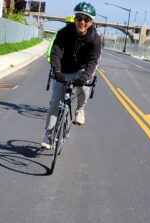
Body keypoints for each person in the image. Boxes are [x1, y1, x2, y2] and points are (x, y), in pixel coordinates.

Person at [41, 2, 102, 149]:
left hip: (81, 70)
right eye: (79, 18)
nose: (82, 22)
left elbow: (93, 61)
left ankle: (80, 109)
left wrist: (85, 76)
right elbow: (55, 53)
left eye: (86, 19)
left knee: (85, 86)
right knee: (55, 101)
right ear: (74, 19)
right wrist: (57, 71)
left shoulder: (95, 39)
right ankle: (48, 134)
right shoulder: (64, 33)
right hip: (63, 69)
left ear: (91, 22)